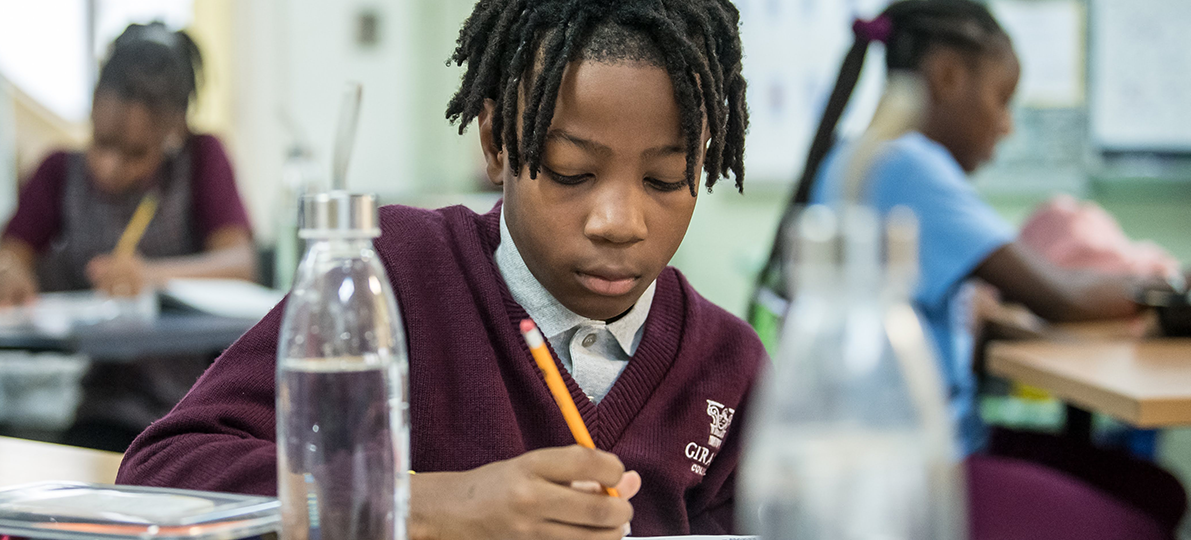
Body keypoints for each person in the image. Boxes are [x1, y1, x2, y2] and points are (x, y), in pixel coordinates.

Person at [117, 0, 763, 537]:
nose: (619, 221)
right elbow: (164, 471)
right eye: (572, 172)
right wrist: (425, 506)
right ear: (495, 143)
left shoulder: (727, 365)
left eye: (665, 178)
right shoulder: (393, 275)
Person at [775, 1, 1185, 537]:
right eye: (1001, 100)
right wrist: (1172, 289)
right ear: (947, 75)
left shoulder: (861, 156)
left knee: (1157, 489)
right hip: (924, 470)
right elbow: (1060, 296)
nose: (1007, 126)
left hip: (912, 452)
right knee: (1143, 518)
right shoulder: (909, 164)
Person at [0, 22, 255, 452]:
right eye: (102, 142)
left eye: (134, 154)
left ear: (173, 133)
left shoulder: (202, 161)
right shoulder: (58, 172)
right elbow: (10, 254)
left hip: (195, 407)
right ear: (92, 109)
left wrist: (150, 275)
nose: (110, 167)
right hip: (102, 409)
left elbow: (239, 263)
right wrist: (9, 271)